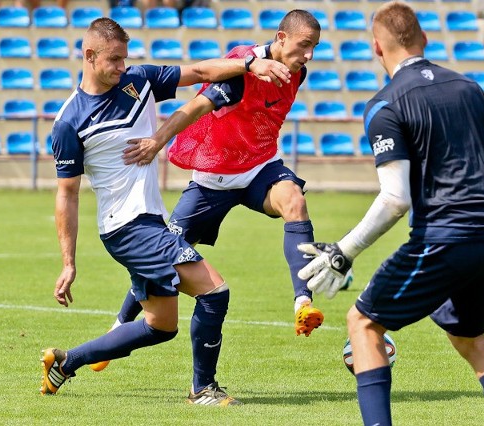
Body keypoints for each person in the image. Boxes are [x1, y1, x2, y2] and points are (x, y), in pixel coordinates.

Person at [296, 2, 484, 426]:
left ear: (376, 48)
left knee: (363, 323)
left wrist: (343, 252)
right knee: (468, 336)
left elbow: (396, 199)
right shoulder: (469, 88)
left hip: (446, 238)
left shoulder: (385, 104)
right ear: (425, 39)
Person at [40, 17, 290, 406]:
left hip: (147, 223)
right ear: (88, 56)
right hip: (126, 228)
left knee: (161, 326)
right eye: (114, 59)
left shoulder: (137, 81)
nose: (122, 66)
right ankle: (203, 389)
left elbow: (200, 72)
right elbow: (66, 196)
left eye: (125, 58)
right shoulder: (69, 123)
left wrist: (249, 63)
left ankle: (66, 362)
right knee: (214, 291)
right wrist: (68, 263)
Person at [86, 11, 329, 375]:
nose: (309, 54)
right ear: (281, 37)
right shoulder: (239, 70)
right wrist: (156, 140)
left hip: (259, 168)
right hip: (212, 181)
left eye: (315, 47)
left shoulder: (298, 73)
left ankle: (302, 302)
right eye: (304, 45)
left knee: (294, 200)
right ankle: (121, 323)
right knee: (165, 254)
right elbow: (195, 106)